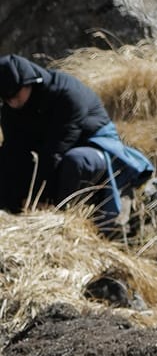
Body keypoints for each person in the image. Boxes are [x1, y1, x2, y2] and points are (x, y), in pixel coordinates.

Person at [0, 55, 143, 229]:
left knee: (75, 160)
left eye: (14, 95)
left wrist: (39, 198)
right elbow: (14, 150)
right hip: (49, 154)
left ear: (29, 82)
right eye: (5, 99)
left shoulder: (66, 94)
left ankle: (60, 219)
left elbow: (56, 150)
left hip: (93, 149)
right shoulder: (10, 109)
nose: (11, 102)